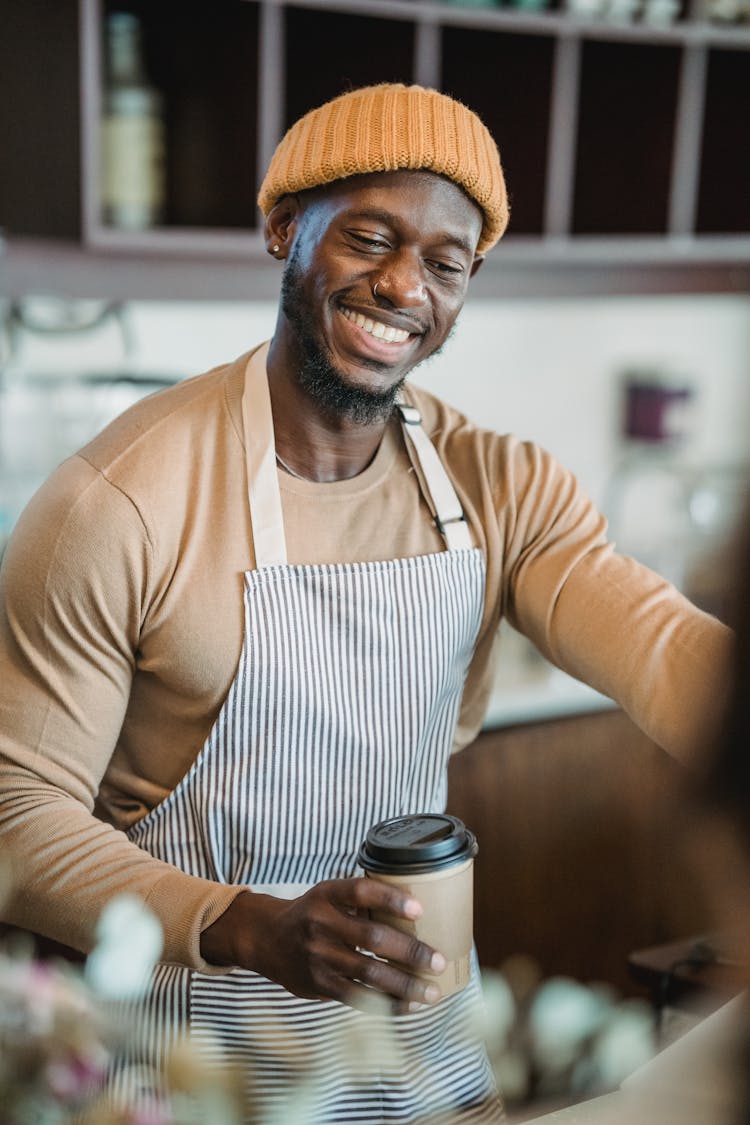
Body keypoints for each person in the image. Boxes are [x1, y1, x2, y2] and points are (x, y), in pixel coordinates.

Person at [0, 83, 733, 1122]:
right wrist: (249, 925)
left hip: (426, 1060)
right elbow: (16, 820)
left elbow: (663, 650)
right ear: (283, 229)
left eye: (444, 263)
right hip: (197, 1068)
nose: (402, 287)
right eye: (368, 237)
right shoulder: (118, 504)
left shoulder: (499, 488)